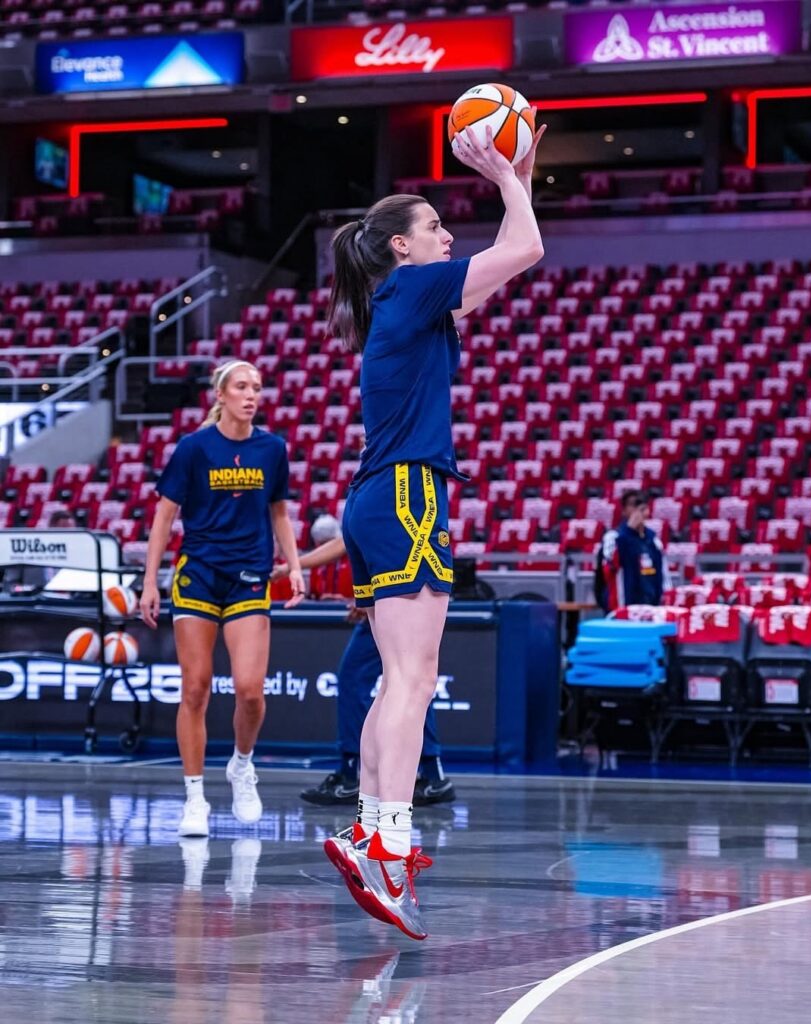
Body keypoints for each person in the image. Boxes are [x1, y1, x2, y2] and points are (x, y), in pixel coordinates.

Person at [322, 119, 545, 940]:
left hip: (375, 498)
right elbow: (526, 248)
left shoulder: (403, 301)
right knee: (414, 681)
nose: (449, 237)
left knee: (396, 680)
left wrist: (519, 172)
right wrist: (503, 178)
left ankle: (369, 830)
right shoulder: (412, 288)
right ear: (400, 247)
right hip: (408, 494)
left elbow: (501, 267)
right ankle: (388, 842)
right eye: (436, 227)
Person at [139, 359, 304, 838]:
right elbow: (164, 517)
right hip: (199, 574)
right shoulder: (194, 448)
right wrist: (149, 581)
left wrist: (294, 565)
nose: (252, 395)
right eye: (242, 387)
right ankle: (195, 798)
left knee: (250, 691)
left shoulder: (272, 448)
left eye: (257, 387)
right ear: (221, 395)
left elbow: (279, 512)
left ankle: (242, 765)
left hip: (249, 575)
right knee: (195, 688)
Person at [272, 534, 456, 807]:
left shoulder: (386, 509)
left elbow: (352, 539)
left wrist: (367, 595)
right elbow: (352, 537)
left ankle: (353, 775)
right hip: (399, 585)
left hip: (401, 588)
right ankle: (431, 773)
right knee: (408, 681)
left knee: (377, 679)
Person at [598, 489, 671, 612]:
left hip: (651, 609)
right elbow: (609, 568)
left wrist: (665, 602)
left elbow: (664, 576)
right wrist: (629, 530)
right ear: (624, 511)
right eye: (633, 505)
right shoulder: (613, 537)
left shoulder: (654, 540)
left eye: (641, 505)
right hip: (622, 609)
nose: (637, 510)